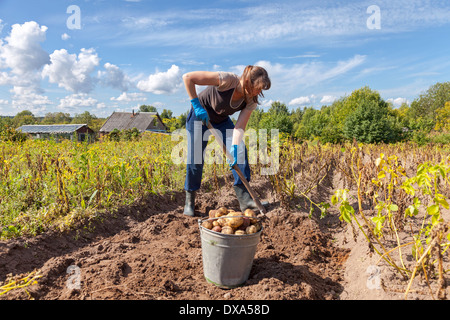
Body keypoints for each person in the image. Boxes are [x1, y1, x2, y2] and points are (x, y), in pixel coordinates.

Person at [182, 65, 271, 216]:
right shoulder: (227, 80)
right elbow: (188, 78)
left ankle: (245, 200)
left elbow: (239, 128)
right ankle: (189, 202)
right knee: (196, 159)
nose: (259, 92)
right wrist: (196, 105)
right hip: (200, 115)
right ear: (248, 81)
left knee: (241, 152)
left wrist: (234, 148)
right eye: (258, 88)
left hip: (221, 120)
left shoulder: (251, 101)